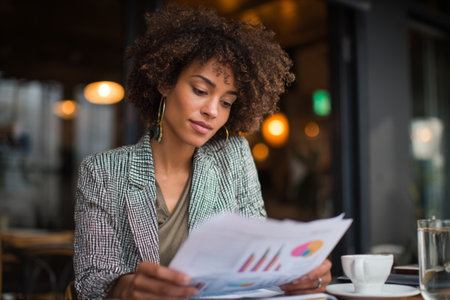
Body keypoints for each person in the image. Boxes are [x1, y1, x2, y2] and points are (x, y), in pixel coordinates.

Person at [74, 5, 332, 299]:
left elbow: (255, 259)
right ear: (165, 82)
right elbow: (89, 282)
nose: (211, 111)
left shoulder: (234, 157)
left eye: (226, 102)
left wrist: (293, 275)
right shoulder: (103, 171)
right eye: (200, 90)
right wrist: (125, 287)